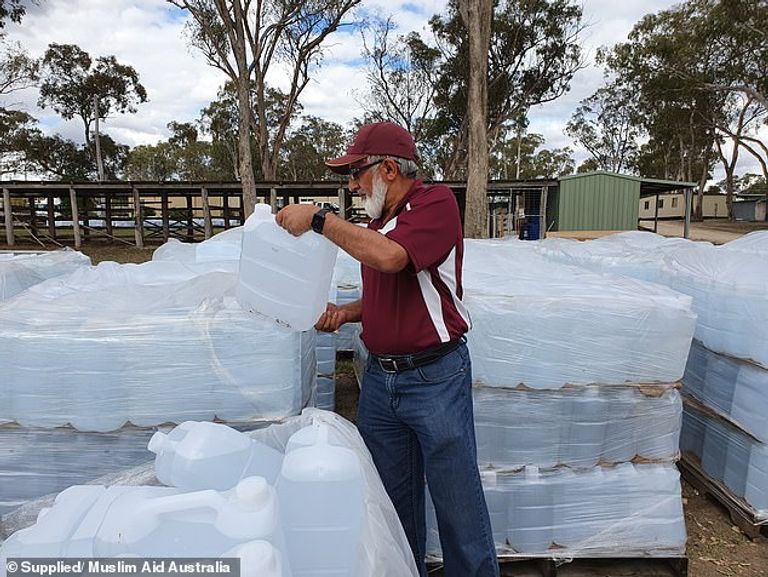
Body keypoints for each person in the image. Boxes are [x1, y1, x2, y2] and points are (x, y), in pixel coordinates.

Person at [276, 121, 498, 577]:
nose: (352, 185)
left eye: (357, 173)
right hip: (381, 381)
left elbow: (393, 258)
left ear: (390, 169)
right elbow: (394, 290)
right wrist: (347, 312)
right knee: (393, 505)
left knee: (457, 503)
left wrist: (320, 218)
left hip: (434, 377)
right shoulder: (378, 225)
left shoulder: (436, 206)